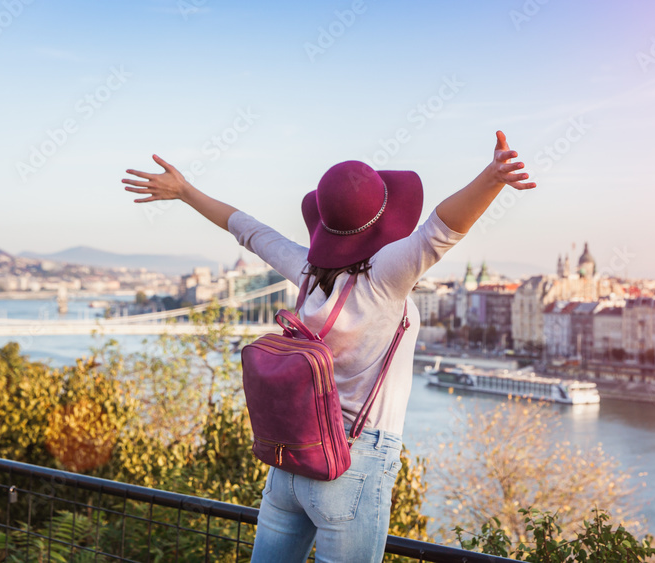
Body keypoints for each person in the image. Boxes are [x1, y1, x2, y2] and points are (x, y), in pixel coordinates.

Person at [122, 130, 536, 562]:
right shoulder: (384, 277)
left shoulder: (306, 272)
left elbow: (246, 229)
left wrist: (186, 191)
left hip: (291, 460)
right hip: (353, 461)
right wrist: (492, 178)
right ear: (384, 218)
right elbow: (441, 229)